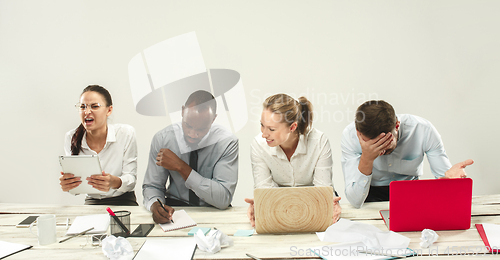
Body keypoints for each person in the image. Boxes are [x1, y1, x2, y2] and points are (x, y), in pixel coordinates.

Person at [341, 100, 474, 208]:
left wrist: (451, 183)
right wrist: (367, 158)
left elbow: (445, 181)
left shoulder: (423, 130)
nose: (380, 152)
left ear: (397, 125)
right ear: (359, 133)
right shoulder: (350, 136)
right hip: (369, 195)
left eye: (385, 143)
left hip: (411, 192)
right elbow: (355, 201)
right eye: (373, 145)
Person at [142, 90, 239, 224]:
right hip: (175, 208)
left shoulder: (226, 143)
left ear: (213, 119)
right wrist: (156, 206)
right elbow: (152, 186)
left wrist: (181, 167)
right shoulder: (163, 139)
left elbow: (222, 199)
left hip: (213, 208)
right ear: (182, 111)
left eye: (201, 129)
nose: (193, 134)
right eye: (188, 125)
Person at [245, 94, 341, 227]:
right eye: (262, 125)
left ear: (292, 127)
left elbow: (322, 191)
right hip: (279, 206)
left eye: (271, 129)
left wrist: (329, 202)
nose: (264, 134)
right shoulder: (258, 145)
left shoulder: (318, 141)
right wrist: (260, 204)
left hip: (314, 206)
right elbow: (263, 189)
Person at [59, 85, 138, 206]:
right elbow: (75, 188)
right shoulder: (71, 137)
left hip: (123, 200)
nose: (87, 111)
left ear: (109, 110)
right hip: (92, 202)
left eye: (94, 106)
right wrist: (69, 186)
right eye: (82, 107)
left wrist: (114, 182)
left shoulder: (125, 133)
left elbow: (131, 180)